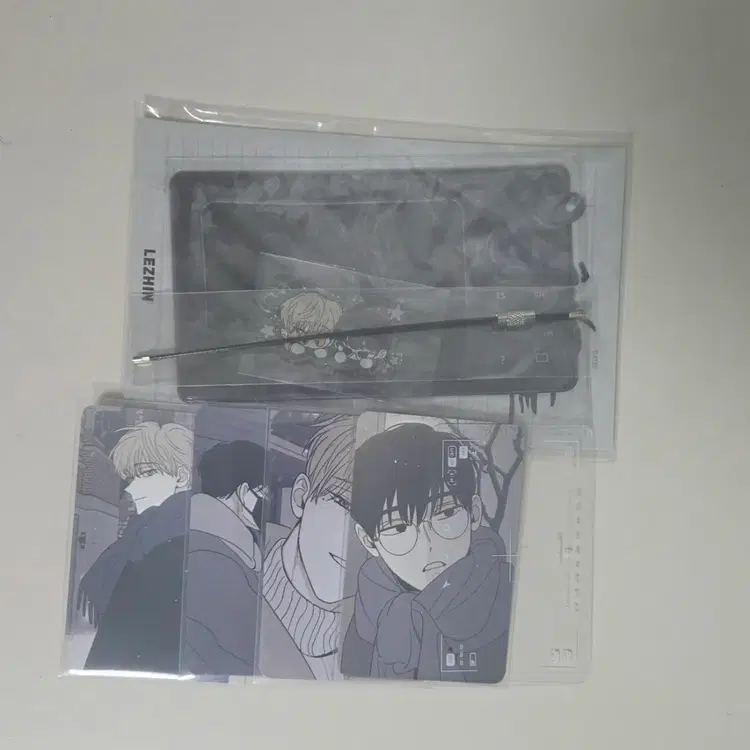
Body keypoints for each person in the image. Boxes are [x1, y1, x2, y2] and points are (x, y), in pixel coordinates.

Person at [78, 423, 307, 677]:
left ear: (182, 476)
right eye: (130, 478)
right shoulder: (159, 536)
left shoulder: (171, 537)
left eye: (145, 473)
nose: (131, 489)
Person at [340, 422, 513, 683]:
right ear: (369, 541)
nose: (427, 544)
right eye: (399, 527)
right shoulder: (369, 613)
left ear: (474, 513)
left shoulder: (509, 594)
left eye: (446, 513)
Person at [261, 415, 356, 680]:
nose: (357, 538)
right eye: (344, 503)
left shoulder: (382, 635)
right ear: (301, 496)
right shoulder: (230, 570)